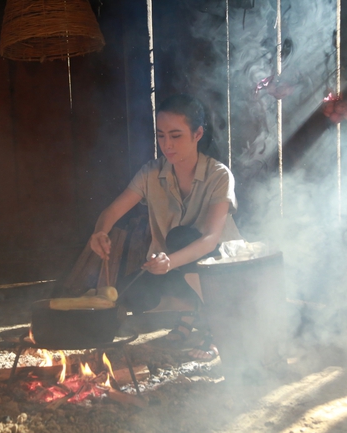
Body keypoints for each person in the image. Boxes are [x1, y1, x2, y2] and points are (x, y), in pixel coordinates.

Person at [88, 94, 242, 359]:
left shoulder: (218, 175)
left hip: (220, 272)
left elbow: (210, 239)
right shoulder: (150, 173)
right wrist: (100, 232)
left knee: (181, 237)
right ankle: (192, 310)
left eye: (176, 135)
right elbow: (112, 211)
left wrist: (169, 262)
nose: (166, 145)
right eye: (160, 136)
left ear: (197, 134)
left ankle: (221, 323)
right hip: (175, 264)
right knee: (130, 294)